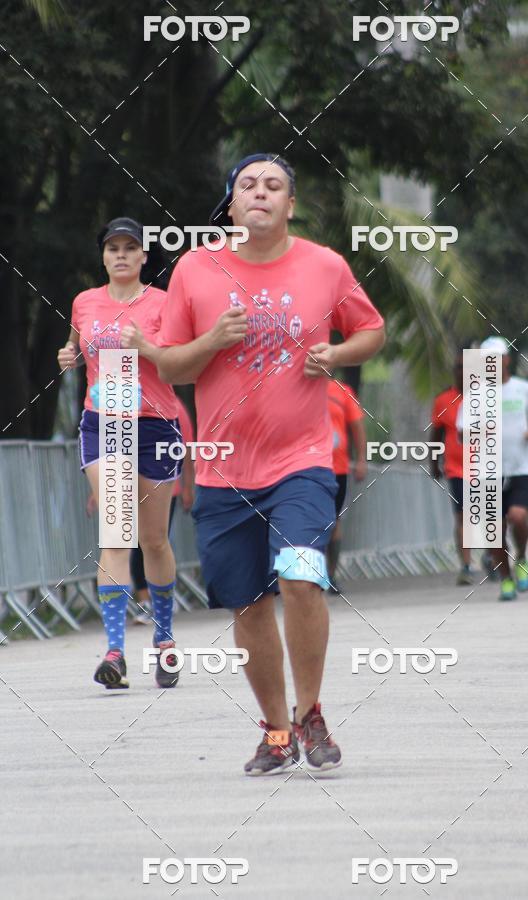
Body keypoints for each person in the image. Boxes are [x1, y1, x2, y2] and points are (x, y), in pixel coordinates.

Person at [126, 153, 385, 774]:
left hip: (302, 463)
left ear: (290, 204)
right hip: (222, 471)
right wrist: (213, 340)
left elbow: (372, 330)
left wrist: (338, 351)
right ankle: (275, 730)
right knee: (246, 603)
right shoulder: (196, 268)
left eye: (274, 186)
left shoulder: (325, 265)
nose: (260, 193)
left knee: (300, 576)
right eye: (248, 185)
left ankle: (312, 711)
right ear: (232, 203)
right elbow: (171, 365)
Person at [57, 217, 182, 690]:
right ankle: (114, 651)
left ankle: (165, 640)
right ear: (103, 256)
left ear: (145, 257)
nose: (122, 255)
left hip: (154, 424)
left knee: (153, 540)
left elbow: (179, 360)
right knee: (116, 530)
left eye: (131, 247)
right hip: (104, 422)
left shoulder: (164, 304)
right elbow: (74, 346)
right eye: (113, 248)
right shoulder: (85, 302)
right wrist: (66, 355)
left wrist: (146, 347)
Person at [459, 336, 528, 601]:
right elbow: (461, 433)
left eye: (498, 358)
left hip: (521, 466)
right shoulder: (474, 395)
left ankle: (523, 558)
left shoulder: (524, 389)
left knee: (518, 517)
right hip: (486, 470)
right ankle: (506, 579)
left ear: (507, 360)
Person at [131, 395, 195, 623]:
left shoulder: (175, 407)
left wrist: (188, 487)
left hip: (168, 486)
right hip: (133, 486)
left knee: (157, 542)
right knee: (138, 544)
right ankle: (144, 601)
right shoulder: (124, 401)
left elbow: (185, 450)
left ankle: (162, 599)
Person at [431, 354, 475, 585]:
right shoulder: (443, 400)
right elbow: (436, 434)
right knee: (463, 517)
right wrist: (433, 463)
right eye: (459, 367)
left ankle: (492, 556)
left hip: (486, 467)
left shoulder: (485, 398)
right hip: (456, 468)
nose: (462, 372)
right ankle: (466, 565)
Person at [326, 377, 367, 594]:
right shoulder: (295, 388)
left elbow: (357, 426)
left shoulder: (342, 391)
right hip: (302, 468)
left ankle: (330, 575)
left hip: (337, 468)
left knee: (333, 520)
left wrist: (361, 459)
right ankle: (308, 574)